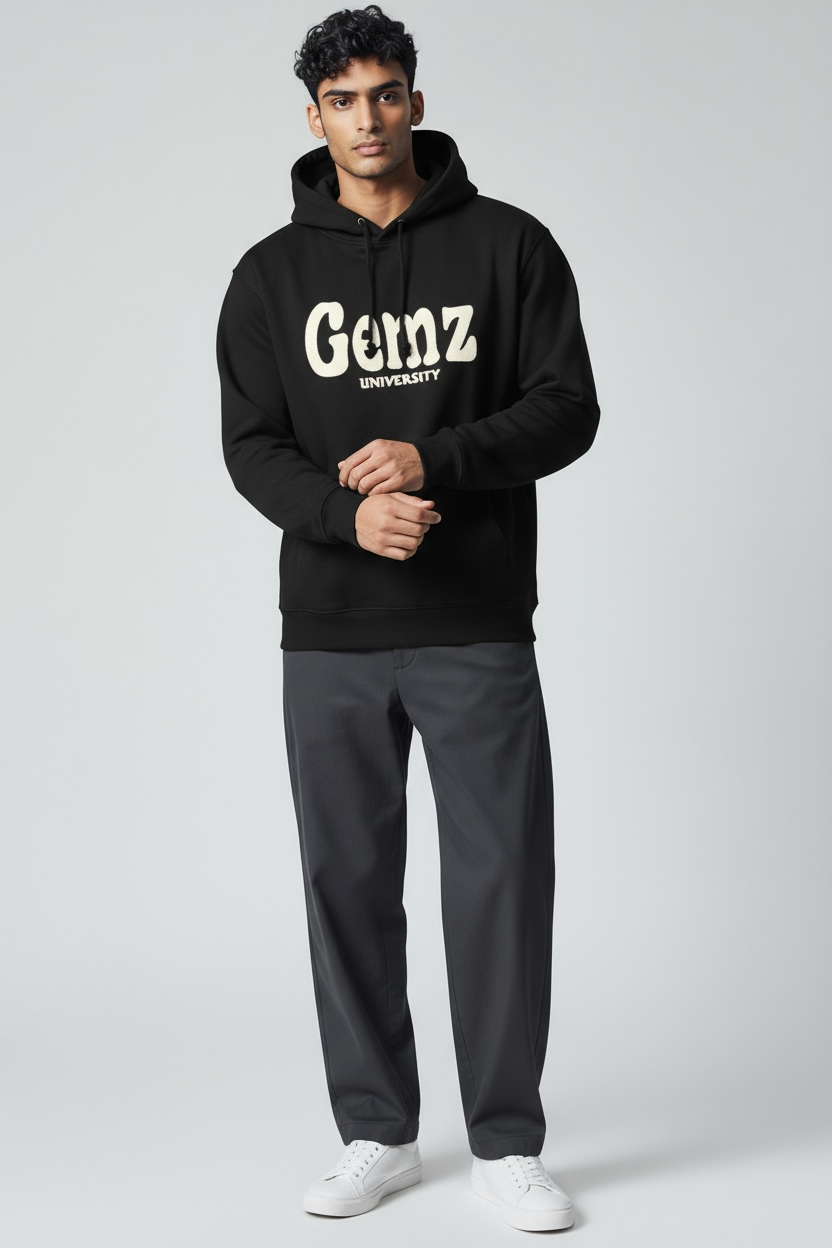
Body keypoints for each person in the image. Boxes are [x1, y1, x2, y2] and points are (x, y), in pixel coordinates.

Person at [216, 4, 599, 1232]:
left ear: (415, 104)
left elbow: (567, 409)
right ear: (313, 117)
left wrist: (433, 459)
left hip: (475, 616)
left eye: (385, 94)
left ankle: (506, 1143)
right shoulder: (268, 278)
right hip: (329, 628)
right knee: (346, 882)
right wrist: (345, 518)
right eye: (343, 101)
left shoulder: (509, 246)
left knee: (501, 879)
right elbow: (252, 448)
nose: (367, 119)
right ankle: (377, 1131)